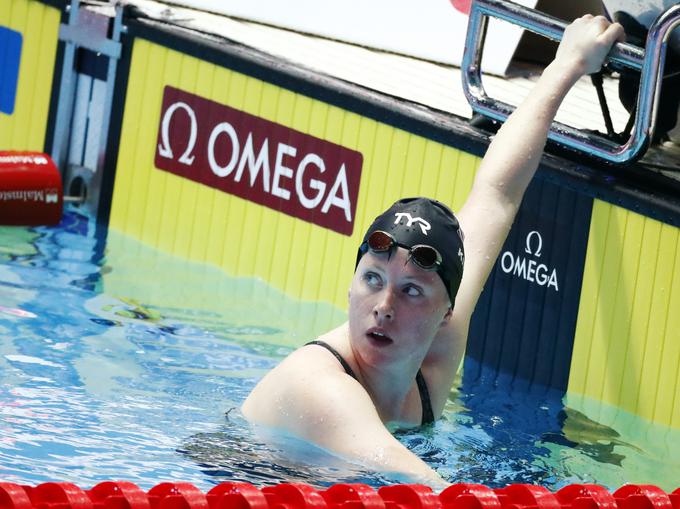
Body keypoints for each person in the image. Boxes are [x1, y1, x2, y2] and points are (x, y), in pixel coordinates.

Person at [242, 15, 625, 487]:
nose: (384, 308)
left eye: (411, 292)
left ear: (447, 311)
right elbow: (428, 487)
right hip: (229, 478)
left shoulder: (437, 349)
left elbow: (497, 196)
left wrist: (568, 63)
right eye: (373, 280)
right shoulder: (320, 384)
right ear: (351, 283)